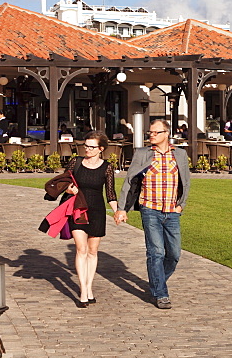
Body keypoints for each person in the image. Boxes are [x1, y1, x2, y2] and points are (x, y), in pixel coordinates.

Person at [115, 119, 191, 310]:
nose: (151, 136)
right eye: (150, 133)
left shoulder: (180, 154)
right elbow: (130, 181)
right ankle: (161, 294)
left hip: (172, 211)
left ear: (166, 133)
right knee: (156, 252)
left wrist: (181, 205)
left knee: (173, 254)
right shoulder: (142, 154)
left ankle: (157, 282)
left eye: (155, 133)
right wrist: (122, 208)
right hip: (150, 209)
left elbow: (186, 182)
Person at [61, 131, 117, 307]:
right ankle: (83, 290)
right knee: (81, 248)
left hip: (97, 211)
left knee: (93, 251)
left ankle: (89, 286)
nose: (87, 149)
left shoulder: (107, 167)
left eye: (92, 147)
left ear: (101, 149)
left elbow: (110, 193)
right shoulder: (76, 162)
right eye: (85, 146)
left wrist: (117, 211)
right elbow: (63, 182)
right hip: (77, 209)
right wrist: (69, 190)